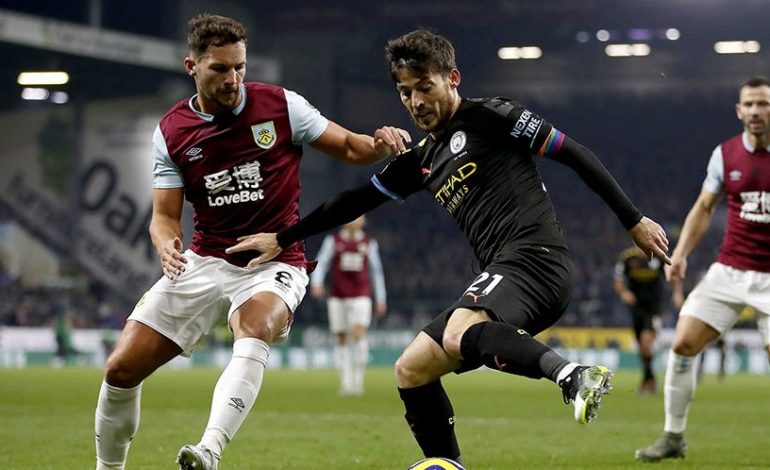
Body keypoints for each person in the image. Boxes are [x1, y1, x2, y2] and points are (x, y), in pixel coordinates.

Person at [227, 29, 670, 464]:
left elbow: (574, 153)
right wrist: (283, 238)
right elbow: (353, 202)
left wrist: (633, 219)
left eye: (425, 87)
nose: (415, 101)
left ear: (452, 79)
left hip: (536, 261)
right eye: (405, 92)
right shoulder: (422, 159)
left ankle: (571, 375)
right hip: (506, 272)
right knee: (412, 368)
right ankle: (447, 464)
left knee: (458, 330)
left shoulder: (491, 116)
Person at [92, 13, 410, 470]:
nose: (233, 79)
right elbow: (164, 216)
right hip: (205, 260)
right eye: (220, 68)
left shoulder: (281, 106)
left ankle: (208, 451)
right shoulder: (172, 132)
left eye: (240, 67)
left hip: (275, 259)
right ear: (192, 67)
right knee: (120, 369)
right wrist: (165, 244)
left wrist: (377, 144)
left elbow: (349, 146)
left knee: (255, 326)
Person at [635, 75, 770, 462]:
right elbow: (704, 207)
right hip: (729, 270)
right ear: (739, 111)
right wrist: (680, 254)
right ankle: (673, 437)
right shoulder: (725, 155)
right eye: (750, 104)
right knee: (683, 343)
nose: (756, 111)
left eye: (763, 103)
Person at [310, 215, 387, 396]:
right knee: (341, 337)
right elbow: (321, 263)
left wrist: (381, 297)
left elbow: (376, 271)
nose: (355, 220)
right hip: (338, 296)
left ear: (363, 221)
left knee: (359, 333)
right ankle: (346, 383)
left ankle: (358, 381)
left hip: (361, 295)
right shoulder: (333, 241)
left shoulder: (369, 243)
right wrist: (316, 283)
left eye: (359, 217)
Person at [612, 244, 666, 394]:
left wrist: (677, 293)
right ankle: (649, 379)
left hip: (654, 308)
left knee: (645, 341)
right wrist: (624, 293)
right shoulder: (627, 257)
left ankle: (648, 382)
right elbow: (617, 278)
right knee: (642, 347)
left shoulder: (658, 255)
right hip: (636, 308)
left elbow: (672, 274)